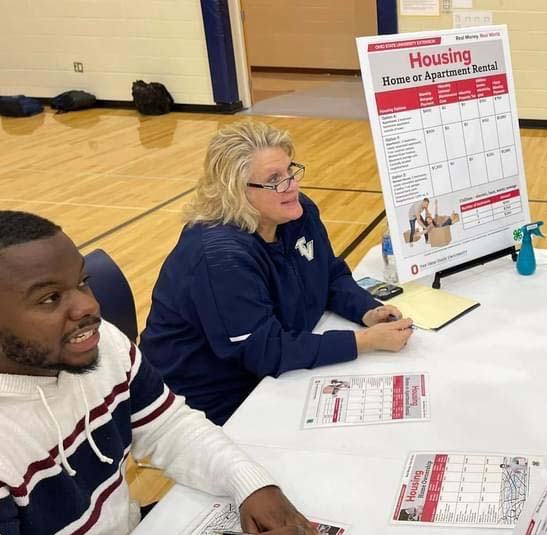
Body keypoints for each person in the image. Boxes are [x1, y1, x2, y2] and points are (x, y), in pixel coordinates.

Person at [0, 211, 325, 535]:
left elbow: (169, 425)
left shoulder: (101, 347)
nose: (88, 307)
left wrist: (250, 482)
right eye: (48, 299)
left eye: (81, 282)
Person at [140, 120, 413, 425]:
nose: (292, 185)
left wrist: (366, 311)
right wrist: (363, 342)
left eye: (290, 171)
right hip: (210, 402)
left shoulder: (296, 212)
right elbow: (265, 351)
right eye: (275, 179)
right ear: (237, 191)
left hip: (270, 371)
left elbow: (330, 273)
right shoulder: (220, 256)